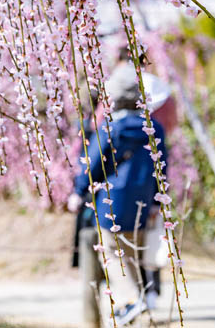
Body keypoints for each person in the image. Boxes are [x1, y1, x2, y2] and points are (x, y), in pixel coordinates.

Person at [69, 62, 168, 326]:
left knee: (111, 253)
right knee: (133, 255)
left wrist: (79, 191)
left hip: (112, 203)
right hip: (144, 201)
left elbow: (92, 164)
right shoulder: (154, 128)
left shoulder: (112, 128)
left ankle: (130, 302)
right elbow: (162, 168)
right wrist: (158, 200)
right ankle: (140, 310)